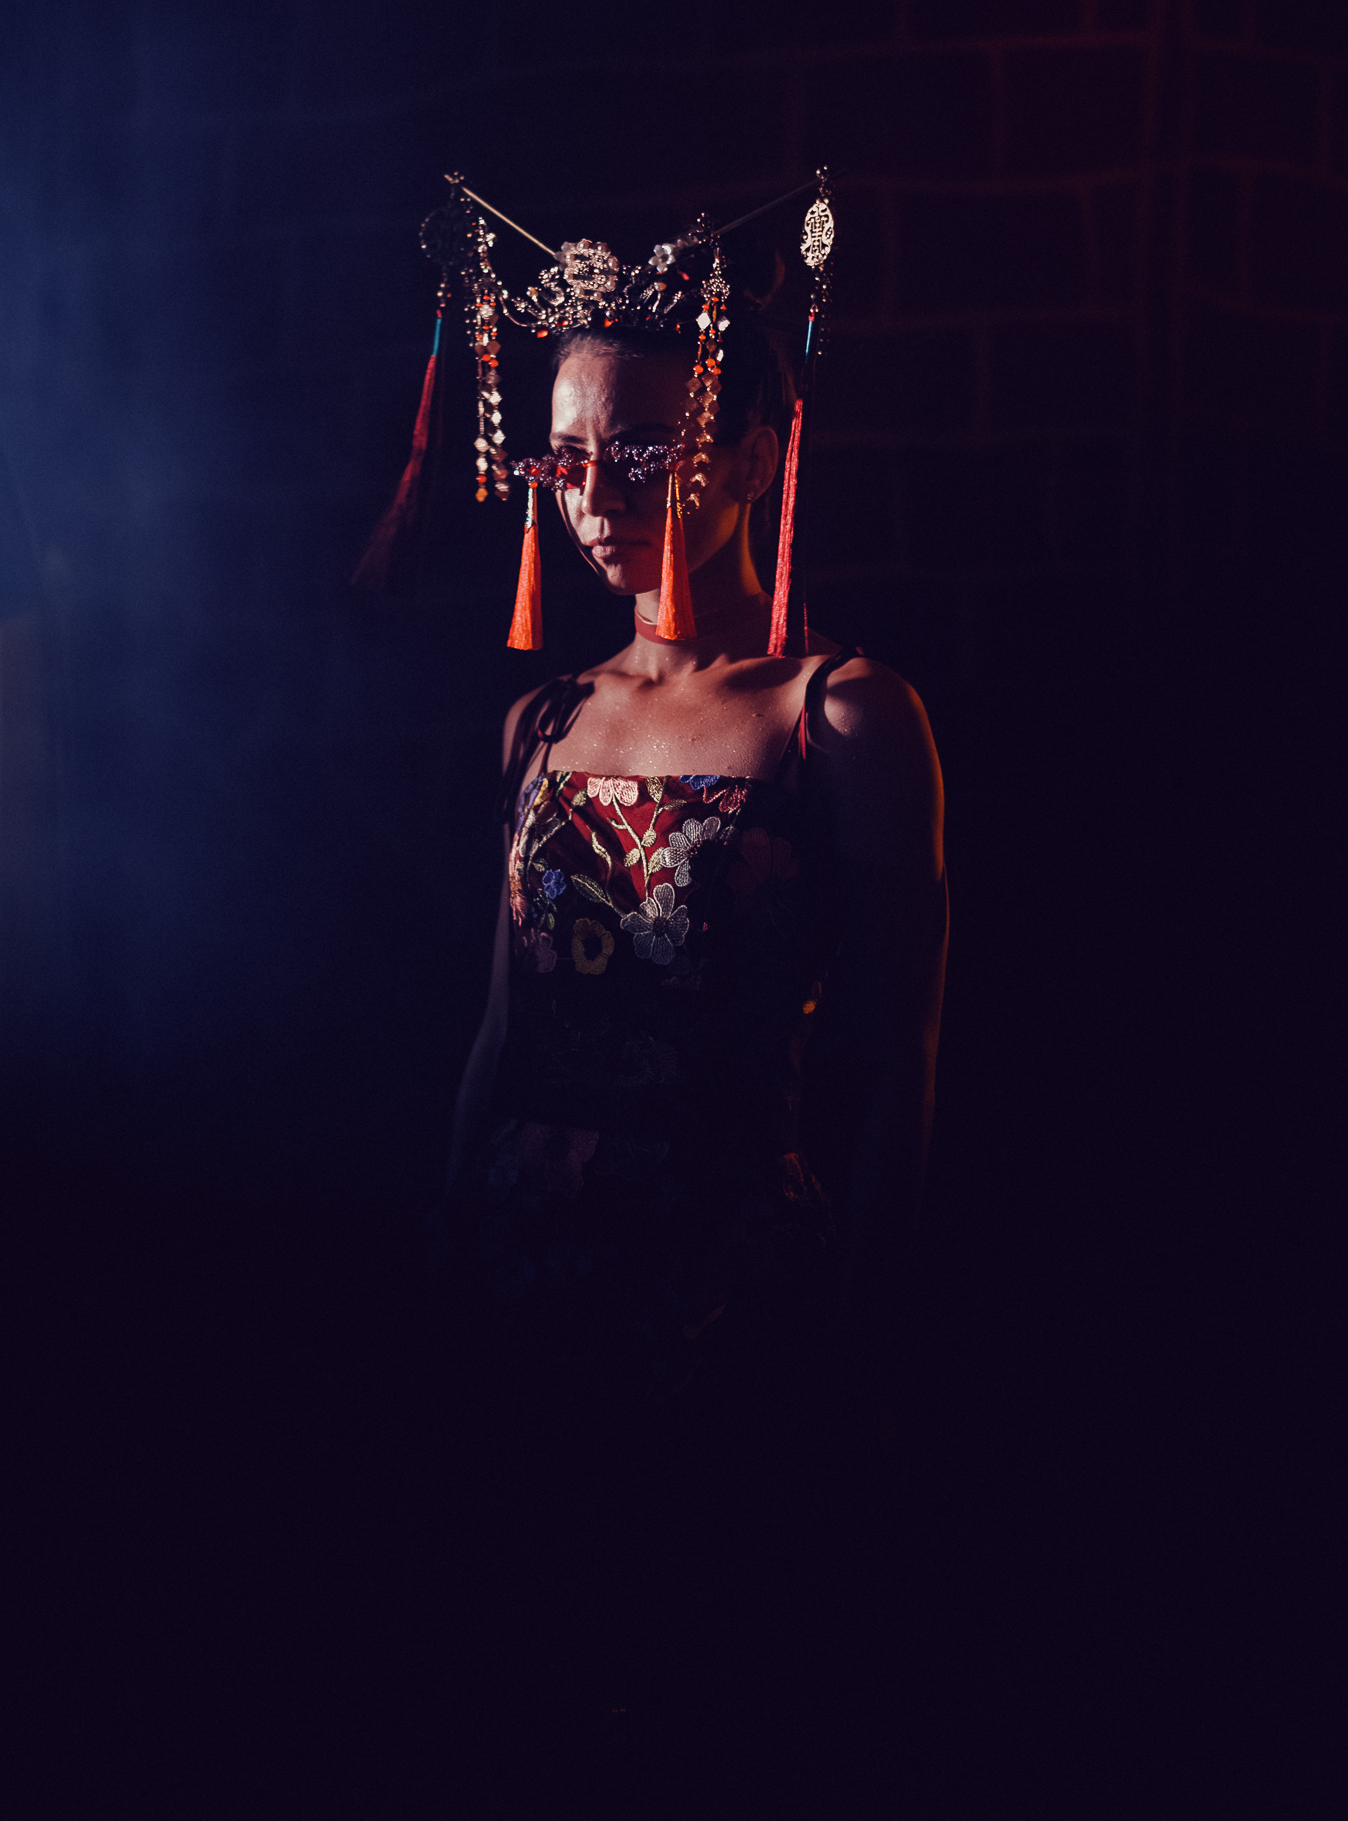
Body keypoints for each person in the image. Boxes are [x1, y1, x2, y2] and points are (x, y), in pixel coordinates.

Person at [433, 294, 948, 1785]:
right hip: (525, 1262)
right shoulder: (541, 721)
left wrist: (862, 1332)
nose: (593, 495)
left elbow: (898, 1061)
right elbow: (502, 1028)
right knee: (522, 1690)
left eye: (643, 449)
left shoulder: (840, 718)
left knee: (707, 1697)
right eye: (564, 457)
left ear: (757, 456)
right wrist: (444, 1252)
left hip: (725, 1274)